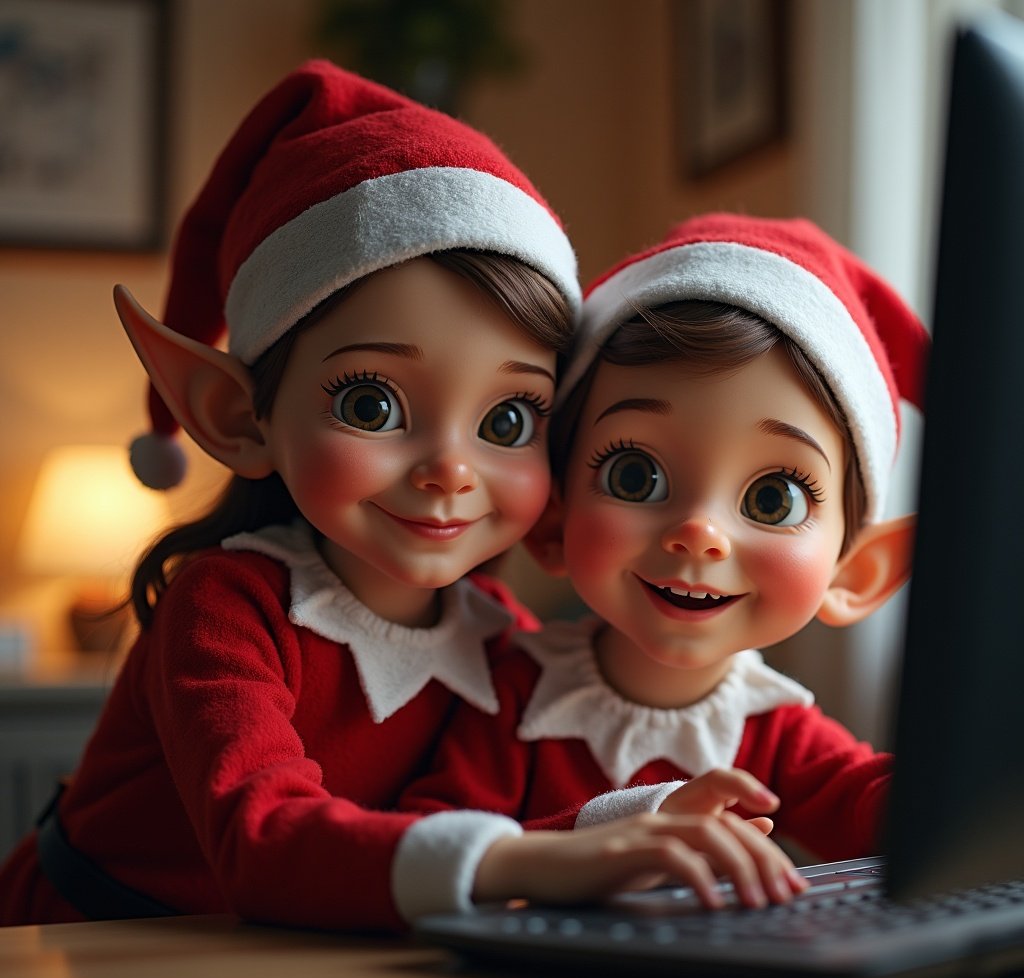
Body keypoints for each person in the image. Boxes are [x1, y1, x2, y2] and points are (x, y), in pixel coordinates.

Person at [0, 68, 790, 931]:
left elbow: (458, 835)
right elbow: (264, 844)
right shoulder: (226, 610)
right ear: (239, 415)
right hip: (90, 954)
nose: (450, 471)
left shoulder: (498, 639)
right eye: (371, 404)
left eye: (510, 417)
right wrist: (555, 854)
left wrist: (633, 821)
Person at [398, 213, 929, 898]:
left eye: (774, 499)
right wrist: (593, 837)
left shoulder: (777, 732)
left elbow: (889, 812)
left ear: (857, 573)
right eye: (634, 476)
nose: (699, 532)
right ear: (552, 519)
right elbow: (427, 846)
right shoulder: (510, 694)